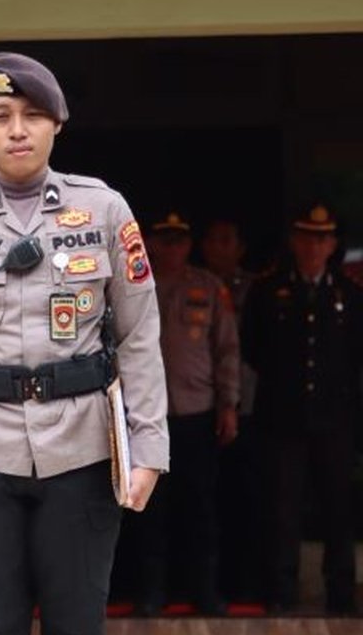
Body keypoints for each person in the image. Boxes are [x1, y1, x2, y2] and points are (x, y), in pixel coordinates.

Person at [0, 51, 169, 634]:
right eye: (2, 115)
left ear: (56, 125)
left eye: (33, 116)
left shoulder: (103, 208)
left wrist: (148, 449)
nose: (18, 130)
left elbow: (141, 333)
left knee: (78, 622)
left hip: (82, 452)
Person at [242, 204, 363, 615]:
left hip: (334, 420)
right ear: (294, 241)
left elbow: (354, 358)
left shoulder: (348, 294)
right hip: (283, 418)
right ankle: (281, 594)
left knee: (338, 510)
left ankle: (341, 596)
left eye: (322, 238)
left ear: (332, 245)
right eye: (307, 237)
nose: (314, 245)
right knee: (283, 510)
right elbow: (253, 348)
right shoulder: (268, 290)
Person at [130, 213, 238, 615]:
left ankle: (205, 591)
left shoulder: (209, 287)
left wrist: (229, 403)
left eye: (180, 238)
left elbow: (226, 349)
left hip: (196, 411)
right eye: (165, 238)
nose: (172, 246)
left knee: (201, 507)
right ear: (151, 242)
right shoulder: (134, 283)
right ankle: (151, 593)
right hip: (145, 415)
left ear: (189, 244)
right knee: (149, 509)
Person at [198, 216, 263, 602]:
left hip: (249, 406)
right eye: (213, 239)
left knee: (247, 499)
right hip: (199, 403)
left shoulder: (258, 289)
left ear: (240, 248)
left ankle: (246, 585)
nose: (220, 248)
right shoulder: (193, 283)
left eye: (228, 240)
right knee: (204, 501)